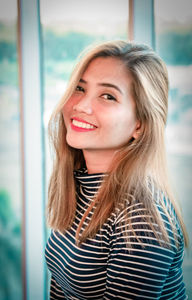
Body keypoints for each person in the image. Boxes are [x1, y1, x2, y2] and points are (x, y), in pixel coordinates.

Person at [45, 40, 188, 299]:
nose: (81, 106)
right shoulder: (78, 187)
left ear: (140, 125)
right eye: (80, 88)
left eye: (108, 96)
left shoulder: (141, 220)